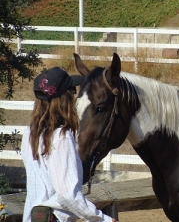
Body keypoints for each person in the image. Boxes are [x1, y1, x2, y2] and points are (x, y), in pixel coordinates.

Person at [21, 67, 116, 222]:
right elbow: (67, 194)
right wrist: (101, 219)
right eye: (71, 91)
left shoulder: (30, 134)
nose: (74, 96)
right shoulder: (61, 137)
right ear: (63, 98)